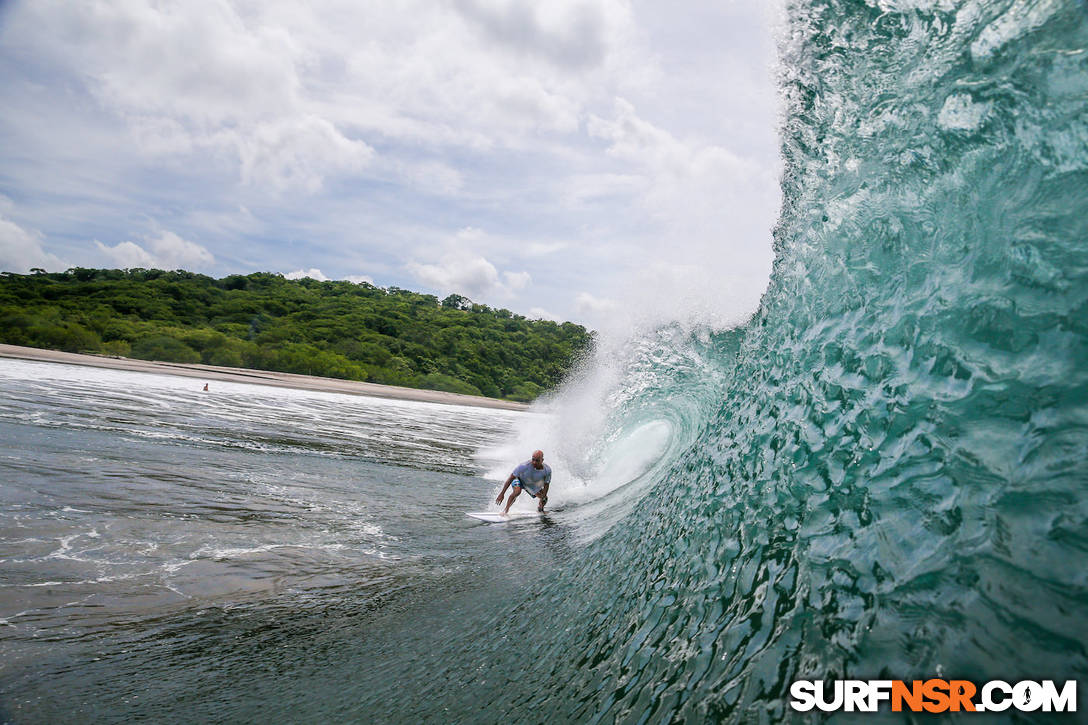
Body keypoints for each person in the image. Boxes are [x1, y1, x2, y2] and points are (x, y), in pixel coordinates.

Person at [495, 450, 551, 514]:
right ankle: (505, 510)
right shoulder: (524, 466)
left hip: (529, 484)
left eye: (537, 460)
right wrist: (502, 494)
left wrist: (543, 497)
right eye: (533, 459)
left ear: (542, 460)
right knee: (517, 492)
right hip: (518, 479)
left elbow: (546, 484)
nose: (534, 462)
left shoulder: (547, 470)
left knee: (544, 498)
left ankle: (540, 509)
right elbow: (510, 478)